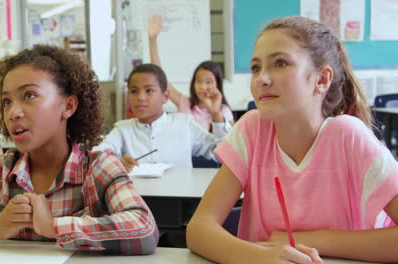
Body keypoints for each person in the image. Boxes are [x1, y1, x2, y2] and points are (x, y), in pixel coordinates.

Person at [186, 16, 398, 263]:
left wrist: (306, 240)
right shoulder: (252, 130)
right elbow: (198, 229)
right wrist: (255, 257)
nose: (262, 79)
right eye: (256, 67)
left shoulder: (348, 136)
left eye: (280, 63)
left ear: (321, 80)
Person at [0, 45, 158, 254]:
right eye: (7, 101)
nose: (13, 113)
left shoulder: (98, 167)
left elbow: (145, 229)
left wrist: (52, 226)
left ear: (68, 106)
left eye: (29, 95)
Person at [94, 63, 226, 172]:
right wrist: (114, 163)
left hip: (180, 199)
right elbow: (97, 156)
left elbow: (224, 154)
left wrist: (215, 114)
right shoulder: (123, 129)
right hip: (138, 199)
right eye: (134, 91)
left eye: (149, 90)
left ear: (165, 96)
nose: (140, 97)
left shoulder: (184, 124)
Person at [148, 14, 234, 132]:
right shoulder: (186, 104)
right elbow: (159, 77)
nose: (203, 87)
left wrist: (215, 113)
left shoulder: (223, 111)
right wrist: (152, 40)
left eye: (208, 82)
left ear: (218, 84)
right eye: (198, 81)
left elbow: (228, 143)